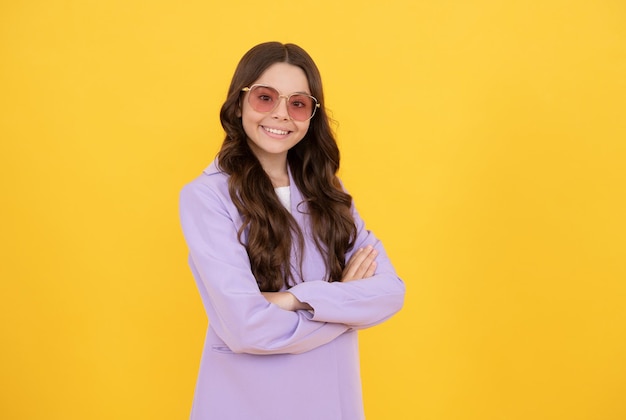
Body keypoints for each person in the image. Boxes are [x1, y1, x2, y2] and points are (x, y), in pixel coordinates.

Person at [179, 41, 405, 420]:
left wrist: (293, 298)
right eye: (266, 98)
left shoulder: (330, 193)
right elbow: (247, 328)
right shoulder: (206, 196)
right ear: (239, 104)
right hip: (245, 403)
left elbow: (391, 292)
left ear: (311, 115)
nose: (282, 114)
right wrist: (344, 305)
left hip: (329, 401)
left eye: (298, 103)